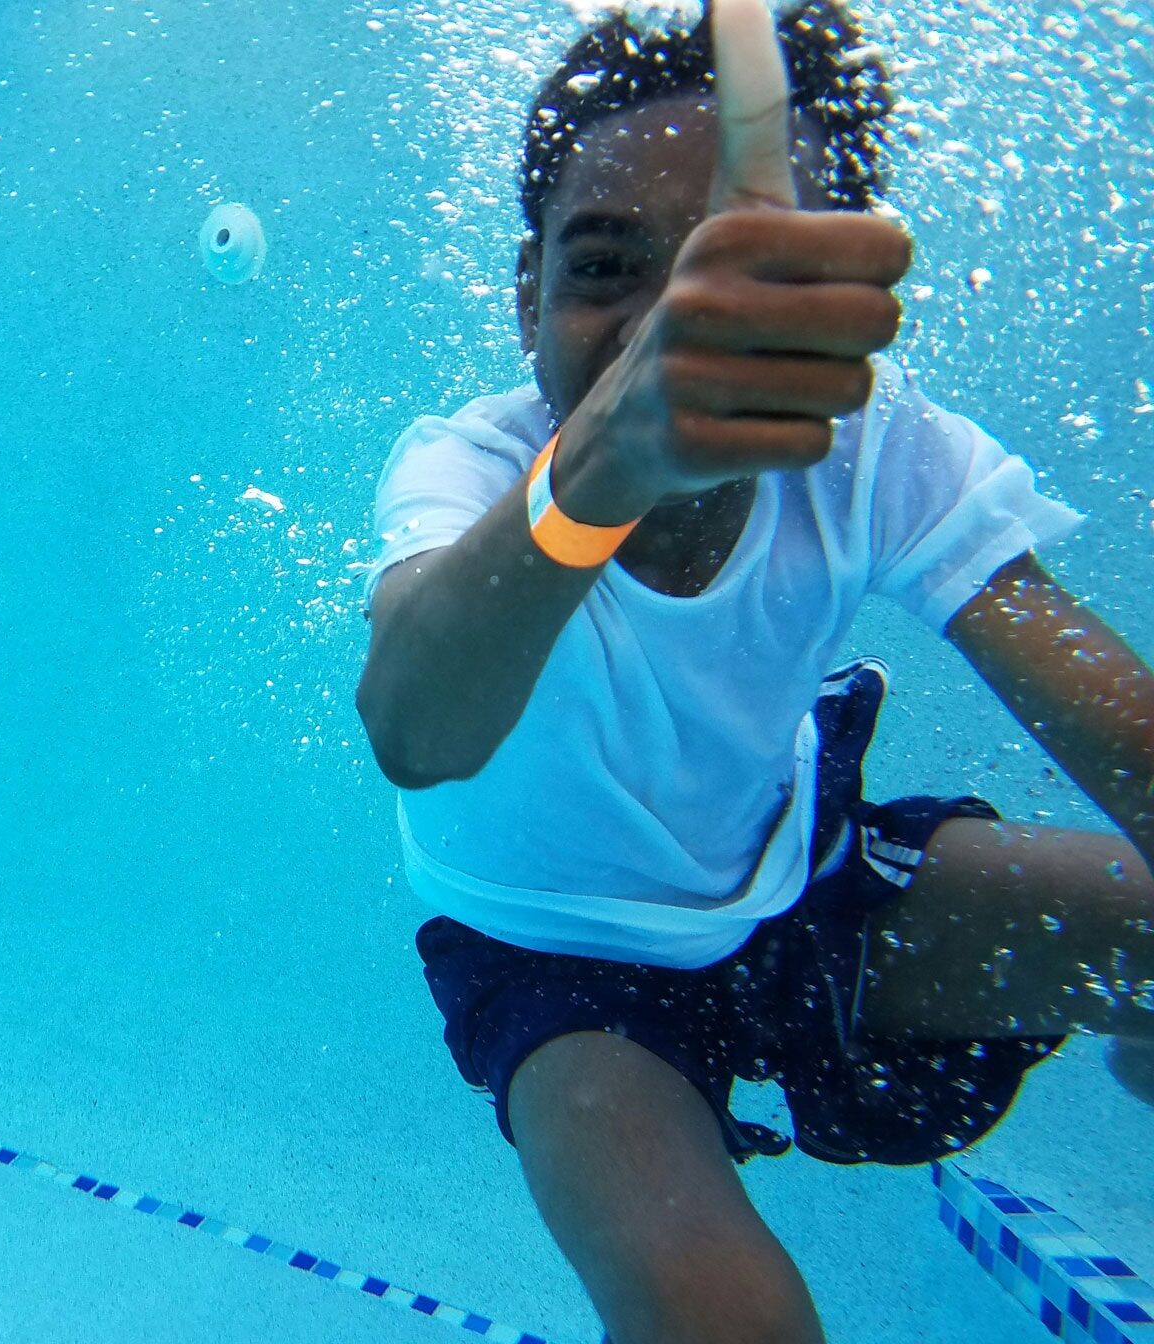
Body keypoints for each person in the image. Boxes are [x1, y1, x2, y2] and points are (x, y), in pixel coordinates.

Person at [354, 1, 1154, 1340]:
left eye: (744, 279)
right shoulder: (471, 469)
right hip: (554, 962)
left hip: (803, 880)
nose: (674, 330)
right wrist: (606, 463)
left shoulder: (873, 444)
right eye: (609, 265)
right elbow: (414, 726)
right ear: (525, 296)